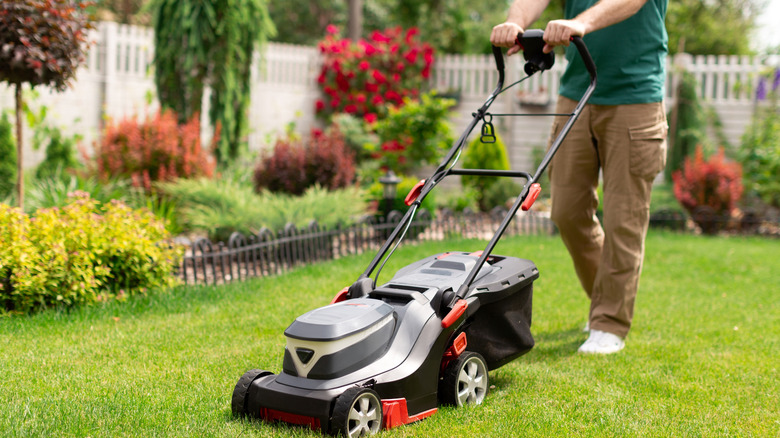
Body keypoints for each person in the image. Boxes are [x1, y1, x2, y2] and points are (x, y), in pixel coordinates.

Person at [491, 0, 669, 354]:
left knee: (624, 219)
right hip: (577, 92)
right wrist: (515, 21)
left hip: (635, 98)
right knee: (567, 212)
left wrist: (580, 23)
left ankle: (609, 322)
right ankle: (603, 300)